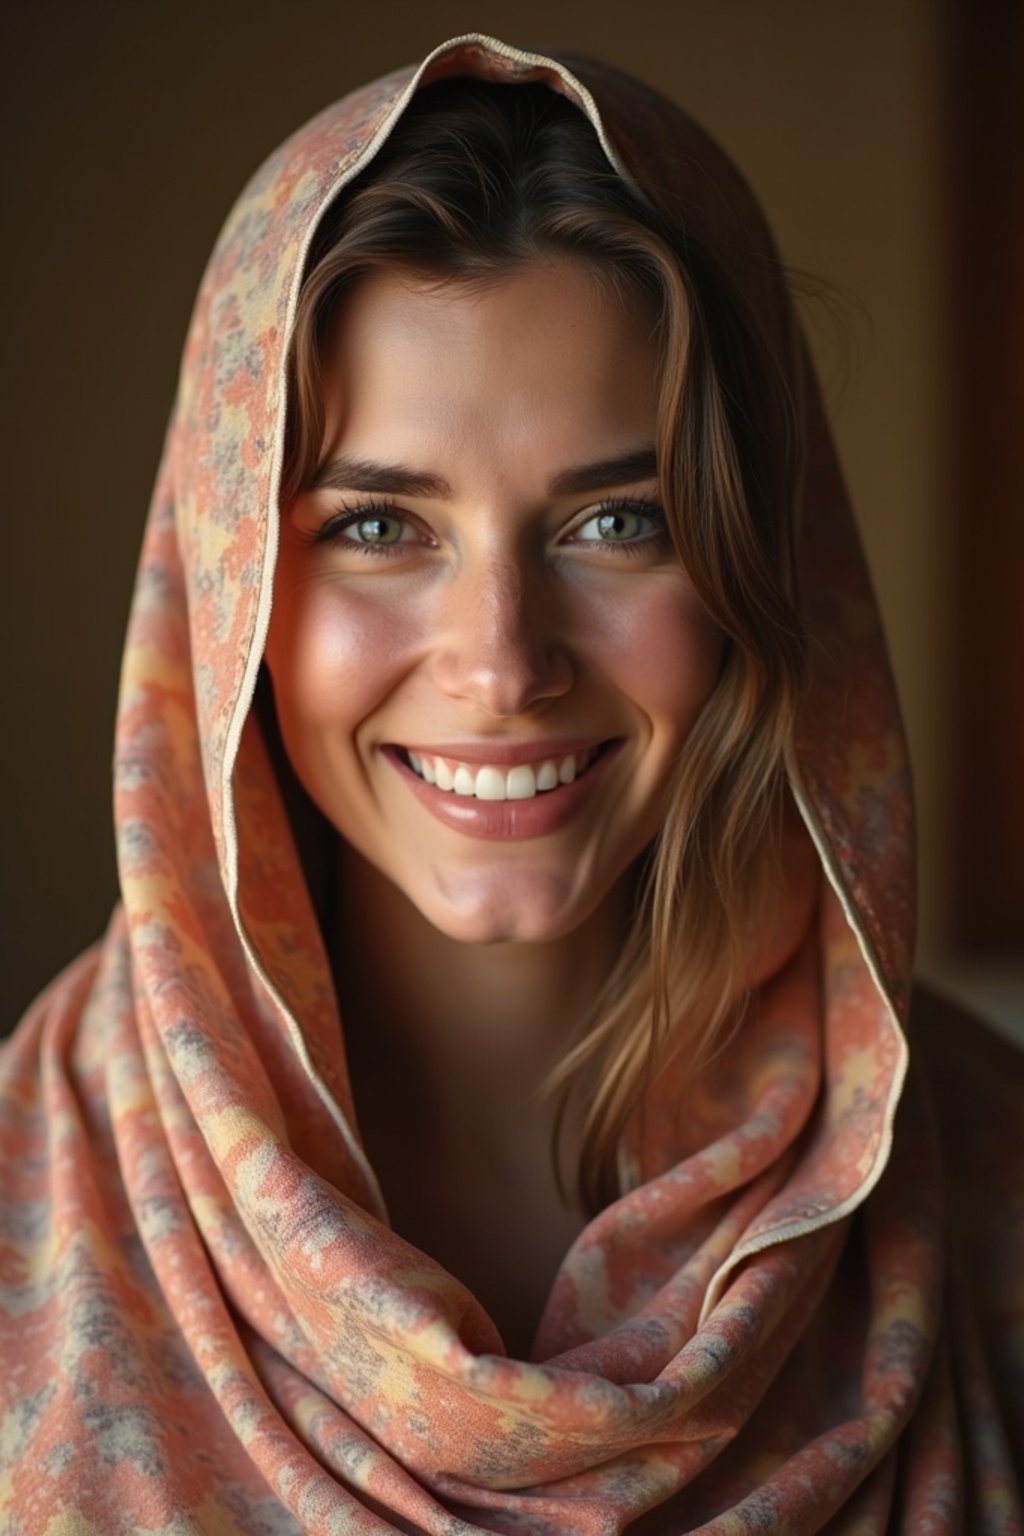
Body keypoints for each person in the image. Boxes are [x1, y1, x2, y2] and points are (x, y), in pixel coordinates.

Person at [1, 32, 1020, 1535]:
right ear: (229, 594)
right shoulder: (31, 1218)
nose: (501, 661)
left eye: (617, 522)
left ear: (761, 560)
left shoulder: (991, 1201)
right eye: (377, 527)